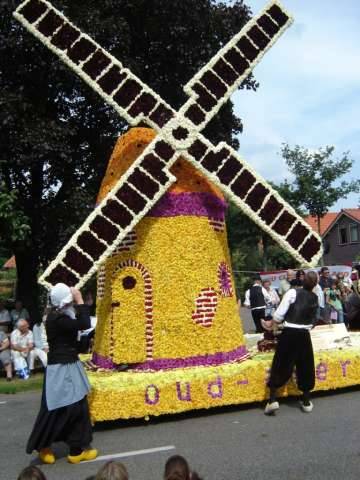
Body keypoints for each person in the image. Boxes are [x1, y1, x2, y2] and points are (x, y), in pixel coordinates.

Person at [26, 283, 98, 465]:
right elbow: (83, 323)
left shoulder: (62, 315)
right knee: (53, 409)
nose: (71, 303)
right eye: (68, 301)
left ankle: (76, 450)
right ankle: (44, 447)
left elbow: (80, 329)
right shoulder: (56, 319)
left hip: (70, 364)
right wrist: (80, 300)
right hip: (59, 368)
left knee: (78, 407)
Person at [264, 271, 319, 415]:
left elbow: (279, 314)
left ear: (302, 280)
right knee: (305, 365)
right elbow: (314, 320)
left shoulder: (292, 292)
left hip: (289, 333)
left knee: (281, 363)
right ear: (315, 284)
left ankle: (272, 401)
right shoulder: (315, 297)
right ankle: (306, 401)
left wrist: (271, 324)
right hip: (304, 335)